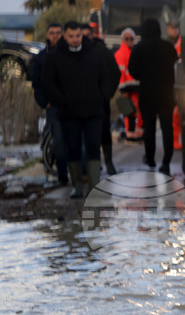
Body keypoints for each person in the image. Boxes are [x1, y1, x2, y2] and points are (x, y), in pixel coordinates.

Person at [42, 21, 116, 198]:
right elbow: (48, 84)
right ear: (65, 36)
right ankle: (76, 185)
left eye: (78, 36)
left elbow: (107, 79)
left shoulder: (94, 55)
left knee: (92, 146)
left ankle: (93, 186)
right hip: (69, 111)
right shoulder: (55, 57)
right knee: (73, 147)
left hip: (93, 110)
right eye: (71, 36)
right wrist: (62, 101)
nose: (75, 40)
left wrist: (102, 96)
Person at [128, 18, 178, 174]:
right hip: (166, 94)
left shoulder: (138, 48)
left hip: (147, 94)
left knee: (149, 129)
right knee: (166, 128)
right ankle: (166, 162)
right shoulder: (168, 47)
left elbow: (133, 71)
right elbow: (176, 69)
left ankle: (150, 159)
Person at [31, 22, 68, 185]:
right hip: (52, 105)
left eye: (58, 33)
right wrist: (44, 103)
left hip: (72, 104)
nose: (55, 36)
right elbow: (36, 85)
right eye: (52, 33)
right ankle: (62, 174)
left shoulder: (70, 54)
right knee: (58, 139)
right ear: (47, 35)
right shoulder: (40, 57)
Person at [82, 23, 121, 175]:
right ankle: (93, 164)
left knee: (104, 132)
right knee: (87, 135)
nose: (85, 39)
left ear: (92, 35)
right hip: (82, 101)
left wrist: (107, 94)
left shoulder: (102, 51)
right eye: (82, 36)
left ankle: (109, 162)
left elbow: (115, 73)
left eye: (87, 35)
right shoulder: (77, 53)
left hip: (100, 101)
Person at [114, 28, 142, 140]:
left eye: (132, 38)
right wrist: (123, 90)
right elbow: (120, 74)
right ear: (122, 39)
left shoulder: (134, 52)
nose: (130, 41)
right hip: (127, 87)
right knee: (128, 110)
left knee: (137, 109)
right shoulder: (120, 54)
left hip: (136, 86)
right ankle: (130, 132)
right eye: (127, 39)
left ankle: (136, 131)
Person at [165, 20, 183, 150]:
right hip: (174, 81)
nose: (174, 30)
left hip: (181, 80)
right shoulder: (168, 44)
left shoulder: (181, 41)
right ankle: (174, 140)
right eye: (172, 28)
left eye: (176, 28)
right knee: (175, 113)